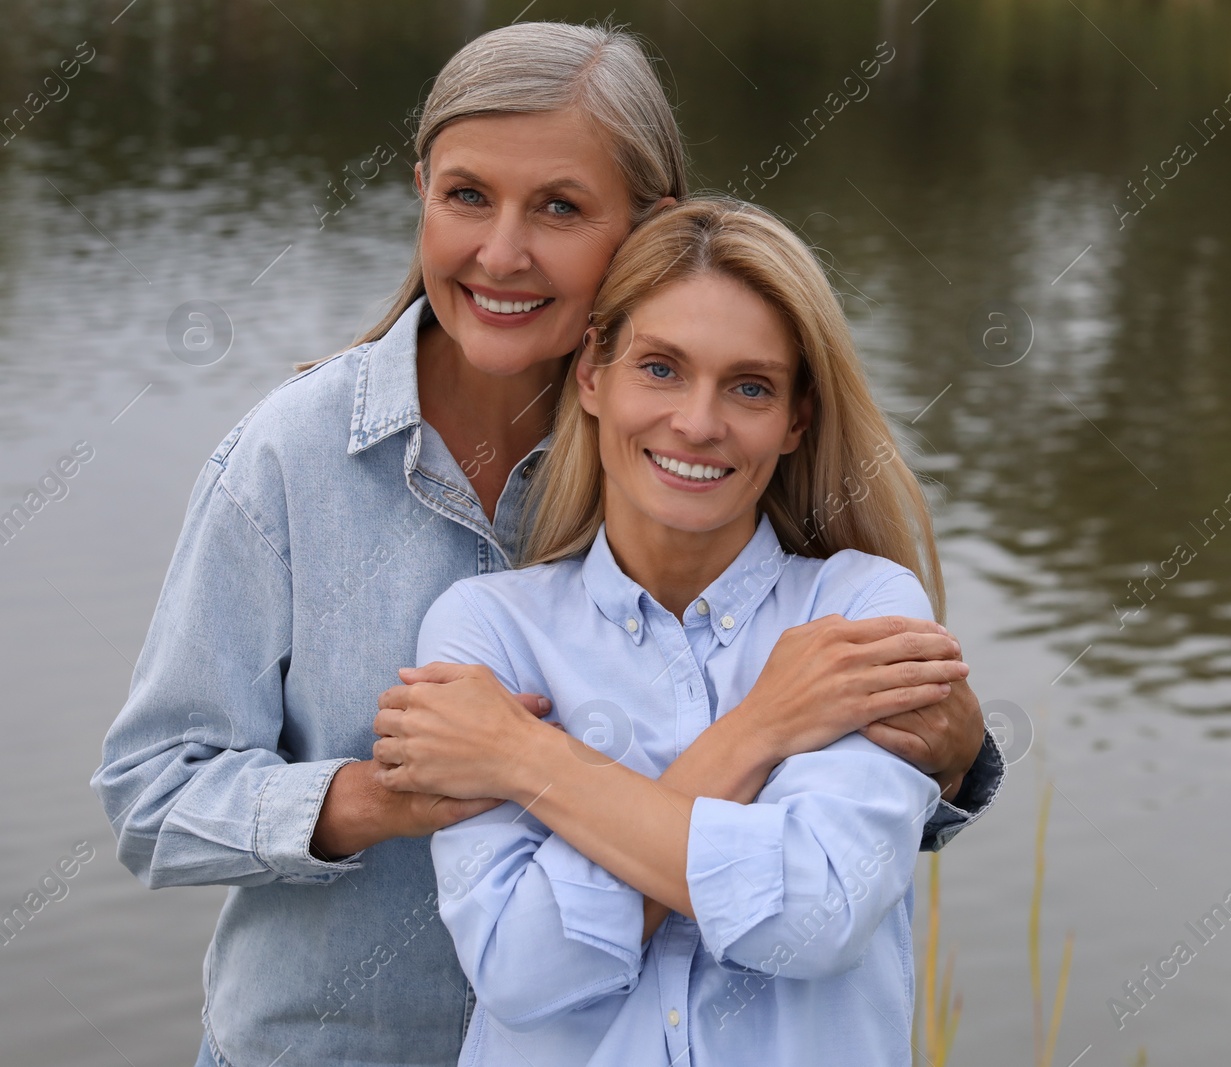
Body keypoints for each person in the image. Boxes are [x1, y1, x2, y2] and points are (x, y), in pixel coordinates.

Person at [90, 22, 1002, 1067]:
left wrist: (954, 760)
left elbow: (833, 825)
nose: (501, 251)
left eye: (559, 207)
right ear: (421, 189)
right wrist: (378, 798)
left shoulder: (693, 451)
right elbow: (150, 793)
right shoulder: (288, 459)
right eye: (466, 195)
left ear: (648, 225)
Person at [377, 196, 959, 1067]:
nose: (697, 422)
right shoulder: (489, 630)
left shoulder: (861, 610)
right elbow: (520, 970)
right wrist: (760, 732)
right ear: (591, 376)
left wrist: (528, 760)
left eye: (750, 386)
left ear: (797, 418)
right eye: (660, 368)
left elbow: (817, 917)